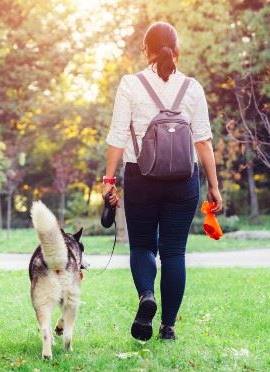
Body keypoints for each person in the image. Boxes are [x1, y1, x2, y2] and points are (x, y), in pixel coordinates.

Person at [103, 21, 223, 341]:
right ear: (177, 50)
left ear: (146, 50)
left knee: (142, 245)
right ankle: (168, 328)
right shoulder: (192, 88)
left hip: (141, 176)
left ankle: (146, 296)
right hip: (184, 180)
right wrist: (213, 185)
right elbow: (203, 141)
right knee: (174, 253)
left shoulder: (131, 84)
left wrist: (108, 180)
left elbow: (116, 137)